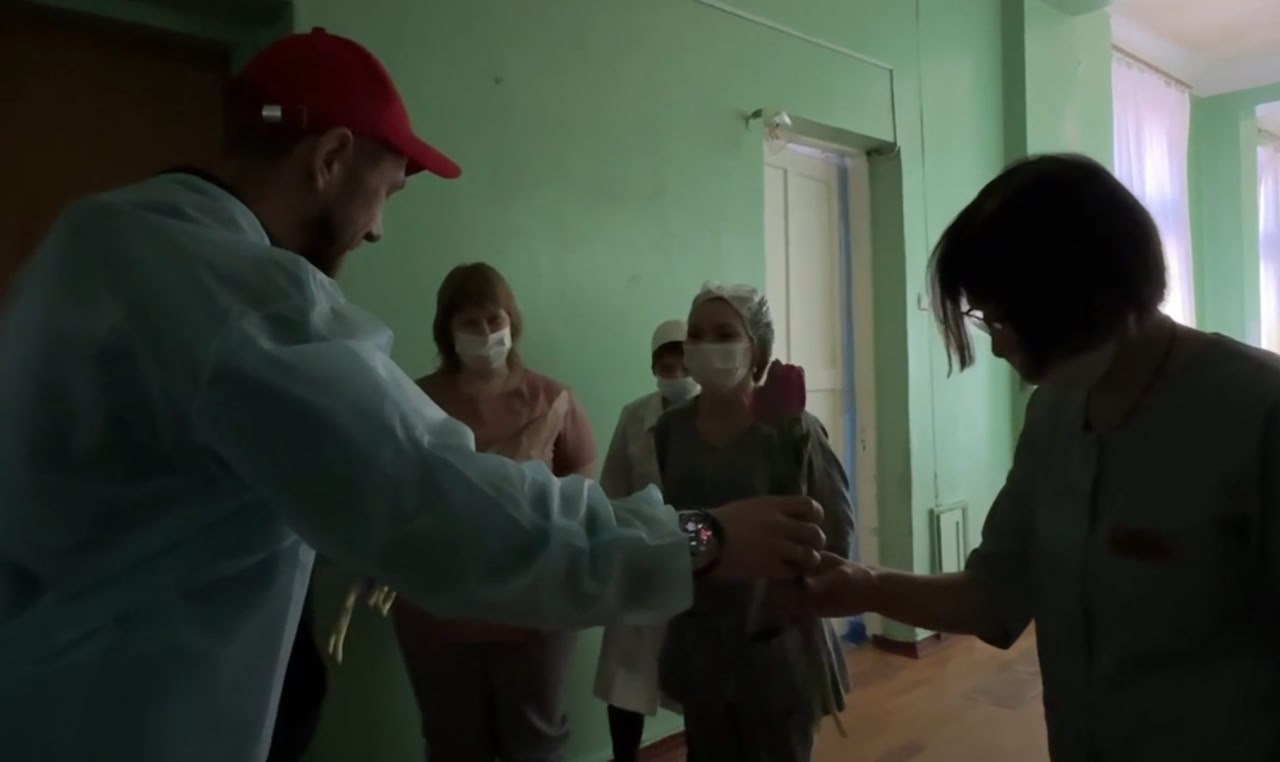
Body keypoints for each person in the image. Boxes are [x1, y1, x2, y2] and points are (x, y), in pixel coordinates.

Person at [0, 29, 829, 762]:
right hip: (129, 719)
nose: (375, 230)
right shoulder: (246, 302)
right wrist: (704, 536)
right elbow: (441, 505)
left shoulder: (95, 238)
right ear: (329, 159)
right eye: (386, 193)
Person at [804, 153, 1280, 762]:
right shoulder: (1054, 413)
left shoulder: (1257, 412)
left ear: (1087, 292)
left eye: (1007, 318)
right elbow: (996, 593)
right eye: (986, 317)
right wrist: (868, 587)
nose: (999, 345)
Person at [391, 262, 595, 761]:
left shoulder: (553, 399)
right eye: (470, 323)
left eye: (493, 320)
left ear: (511, 322)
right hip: (440, 614)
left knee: (536, 744)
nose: (485, 334)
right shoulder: (413, 400)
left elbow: (584, 492)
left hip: (535, 608)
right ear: (448, 330)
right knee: (454, 744)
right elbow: (397, 493)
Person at [656, 283, 854, 762]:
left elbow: (836, 537)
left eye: (724, 334)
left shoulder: (793, 430)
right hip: (700, 640)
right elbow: (674, 522)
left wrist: (794, 592)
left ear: (758, 350)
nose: (707, 346)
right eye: (696, 335)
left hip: (776, 645)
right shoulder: (670, 430)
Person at [593, 319, 697, 762]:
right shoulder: (635, 417)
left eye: (684, 364)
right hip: (641, 565)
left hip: (700, 568)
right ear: (653, 367)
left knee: (698, 686)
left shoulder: (716, 419)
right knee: (626, 682)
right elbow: (611, 491)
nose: (676, 374)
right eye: (666, 366)